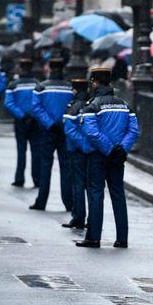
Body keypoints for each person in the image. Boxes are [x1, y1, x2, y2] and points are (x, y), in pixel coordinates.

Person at [77, 68, 140, 248]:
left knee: (96, 194)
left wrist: (109, 149)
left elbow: (91, 132)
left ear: (94, 83)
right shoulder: (125, 105)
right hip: (118, 157)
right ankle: (122, 238)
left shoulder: (92, 105)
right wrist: (121, 149)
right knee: (118, 194)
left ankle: (93, 237)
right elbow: (133, 131)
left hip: (98, 155)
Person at [29, 58, 74, 211]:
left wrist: (49, 123)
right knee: (66, 167)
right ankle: (68, 202)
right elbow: (75, 108)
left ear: (49, 69)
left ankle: (41, 201)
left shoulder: (41, 87)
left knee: (45, 166)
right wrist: (63, 123)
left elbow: (36, 108)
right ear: (63, 69)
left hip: (46, 131)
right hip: (65, 131)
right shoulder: (70, 88)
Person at [4, 58, 40, 187]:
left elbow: (8, 103)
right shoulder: (37, 84)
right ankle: (37, 179)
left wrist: (22, 116)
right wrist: (33, 116)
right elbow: (40, 103)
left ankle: (19, 178)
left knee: (21, 150)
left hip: (20, 121)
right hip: (35, 121)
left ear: (20, 68)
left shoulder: (13, 85)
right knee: (36, 151)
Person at [63, 78, 92, 230]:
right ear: (87, 90)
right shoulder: (92, 105)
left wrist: (81, 144)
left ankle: (78, 217)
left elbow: (69, 130)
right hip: (91, 150)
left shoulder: (72, 107)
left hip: (76, 150)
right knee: (92, 186)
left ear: (74, 90)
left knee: (78, 185)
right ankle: (93, 219)